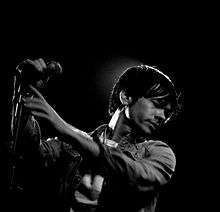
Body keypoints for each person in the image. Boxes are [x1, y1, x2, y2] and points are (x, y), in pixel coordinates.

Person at [12, 58, 180, 212]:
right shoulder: (69, 145)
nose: (162, 116)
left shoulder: (159, 153)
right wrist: (25, 94)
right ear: (126, 96)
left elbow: (136, 175)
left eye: (167, 112)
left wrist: (64, 128)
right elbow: (26, 157)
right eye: (158, 104)